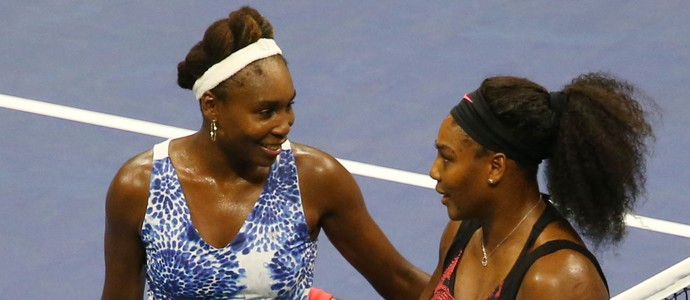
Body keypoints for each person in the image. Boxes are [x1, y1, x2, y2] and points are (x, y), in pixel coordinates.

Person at [101, 6, 428, 300]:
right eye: (266, 111)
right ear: (212, 106)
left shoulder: (315, 178)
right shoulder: (139, 187)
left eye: (289, 106)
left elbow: (399, 280)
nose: (285, 124)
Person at [419, 73, 656, 299]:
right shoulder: (462, 233)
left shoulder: (559, 282)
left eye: (447, 158)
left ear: (495, 167)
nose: (434, 171)